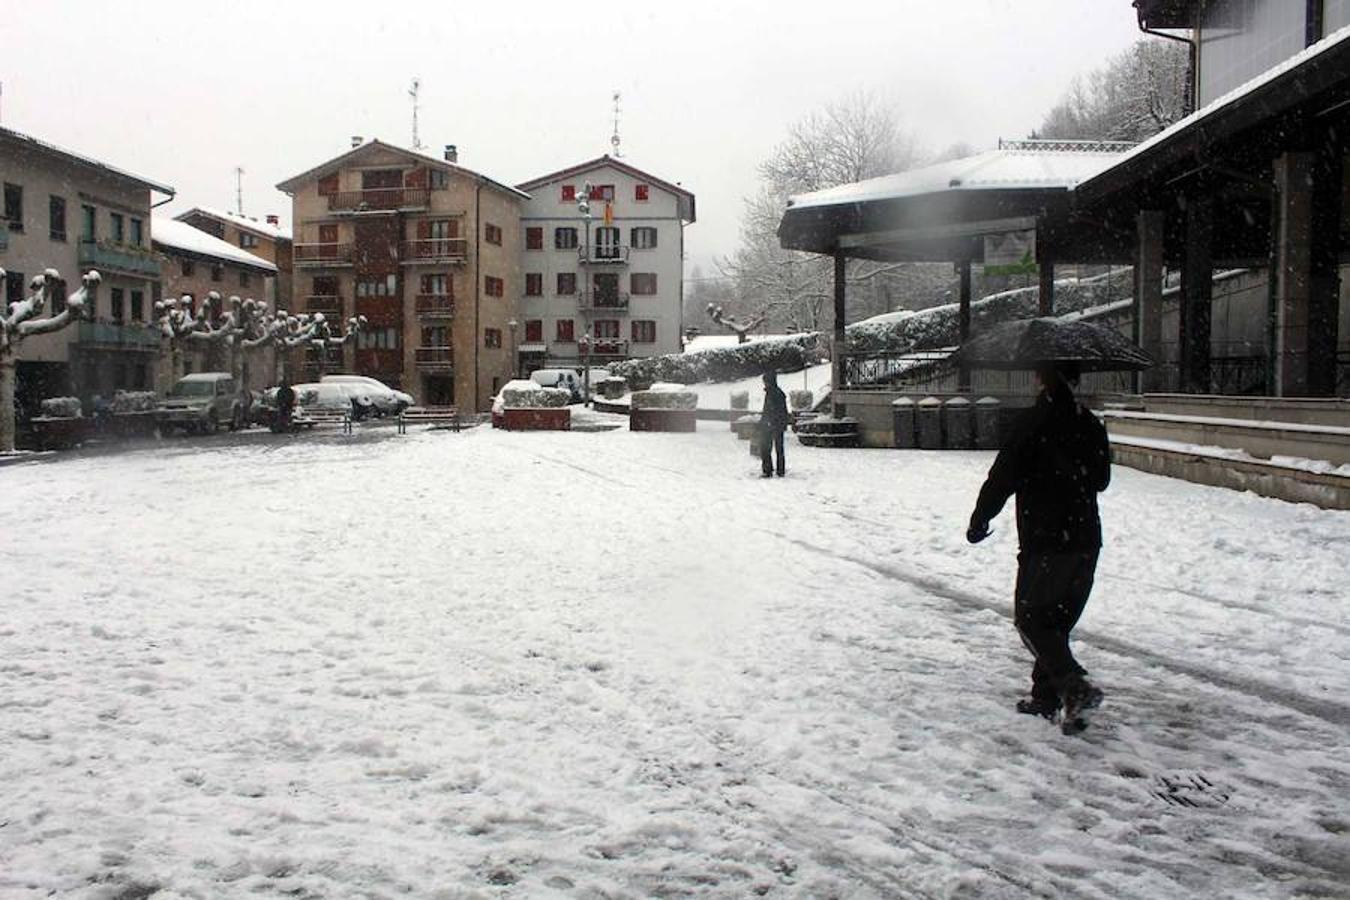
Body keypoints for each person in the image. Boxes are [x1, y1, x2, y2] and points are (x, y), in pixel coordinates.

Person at [966, 361, 1111, 731]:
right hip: (1085, 538)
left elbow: (1002, 477)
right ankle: (1047, 696)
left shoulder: (1032, 423)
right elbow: (1101, 479)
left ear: (1040, 379)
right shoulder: (1090, 423)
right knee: (1056, 621)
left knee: (1031, 619)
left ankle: (1073, 686)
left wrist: (980, 518)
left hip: (1047, 538)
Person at [759, 370, 788, 478]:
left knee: (766, 447)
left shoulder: (773, 393)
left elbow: (772, 410)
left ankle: (768, 470)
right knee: (778, 448)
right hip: (776, 424)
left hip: (772, 425)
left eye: (765, 381)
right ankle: (780, 470)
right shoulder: (776, 393)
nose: (764, 383)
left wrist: (767, 421)